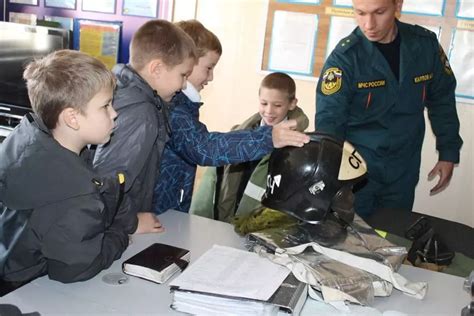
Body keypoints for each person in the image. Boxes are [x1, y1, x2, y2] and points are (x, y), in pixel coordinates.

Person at [315, 0, 463, 218]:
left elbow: (442, 100)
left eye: (379, 12)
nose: (369, 24)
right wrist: (329, 176)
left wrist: (448, 152)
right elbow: (329, 122)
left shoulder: (425, 46)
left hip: (403, 168)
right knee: (351, 240)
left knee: (394, 235)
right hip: (357, 171)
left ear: (398, 6)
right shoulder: (345, 58)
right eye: (361, 13)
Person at [152, 20, 310, 215]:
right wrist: (269, 137)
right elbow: (205, 148)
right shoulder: (172, 107)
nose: (211, 78)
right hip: (156, 214)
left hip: (166, 214)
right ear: (187, 62)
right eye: (208, 68)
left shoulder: (181, 104)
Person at [0, 50, 130, 283]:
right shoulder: (75, 197)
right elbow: (77, 269)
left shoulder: (26, 140)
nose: (115, 113)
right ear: (72, 118)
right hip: (25, 292)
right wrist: (120, 235)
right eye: (105, 106)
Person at [92, 20, 197, 234]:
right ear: (156, 68)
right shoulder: (142, 113)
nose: (184, 84)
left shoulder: (125, 90)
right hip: (116, 228)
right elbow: (105, 184)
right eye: (183, 75)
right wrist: (131, 222)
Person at [190, 72, 309, 222]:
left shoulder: (298, 148)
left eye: (277, 105)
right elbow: (208, 190)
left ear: (292, 103)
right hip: (225, 224)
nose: (269, 111)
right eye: (264, 103)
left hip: (260, 233)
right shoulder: (238, 134)